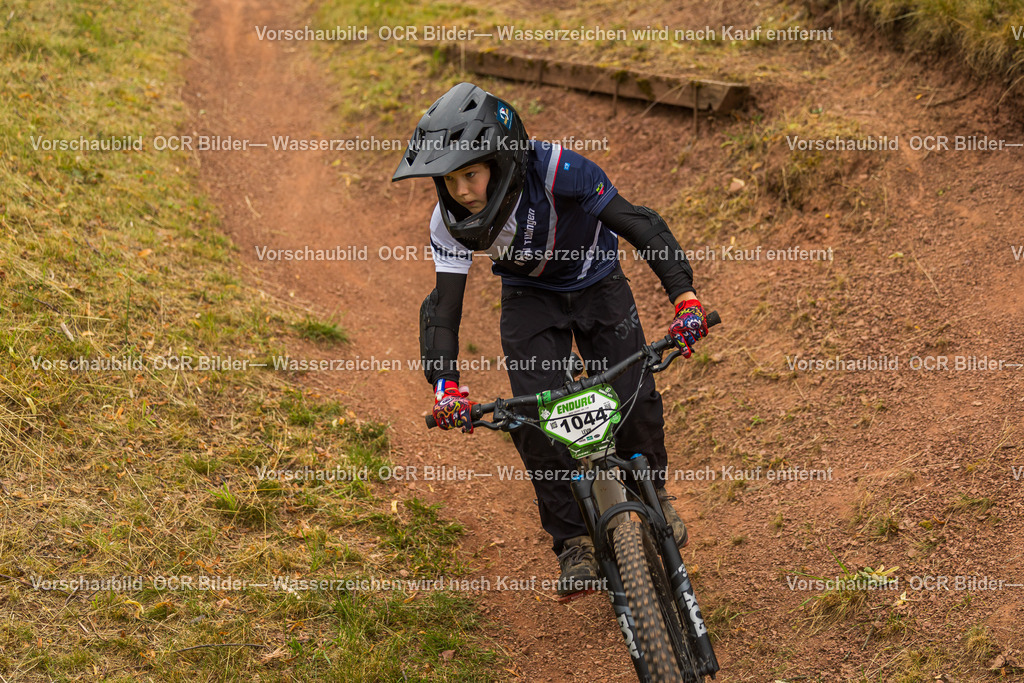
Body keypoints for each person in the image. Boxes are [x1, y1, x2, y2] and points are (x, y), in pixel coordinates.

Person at [392, 82, 708, 598]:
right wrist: (445, 386)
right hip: (528, 296)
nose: (462, 190)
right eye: (449, 180)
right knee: (537, 419)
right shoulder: (448, 224)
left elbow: (639, 224)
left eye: (470, 173)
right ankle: (573, 543)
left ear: (502, 158)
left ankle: (657, 493)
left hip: (598, 279)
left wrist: (685, 299)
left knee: (635, 397)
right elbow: (444, 309)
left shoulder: (562, 169)